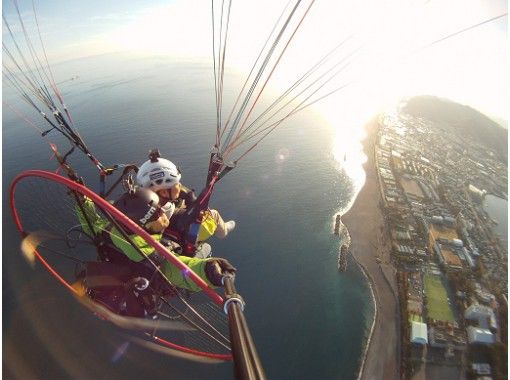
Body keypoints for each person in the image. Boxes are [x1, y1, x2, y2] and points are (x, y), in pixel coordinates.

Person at [75, 187, 236, 294]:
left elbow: (90, 224)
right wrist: (209, 271)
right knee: (205, 247)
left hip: (126, 258)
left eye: (159, 209)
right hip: (160, 278)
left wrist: (82, 201)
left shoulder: (112, 228)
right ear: (144, 226)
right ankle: (204, 249)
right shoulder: (150, 254)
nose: (162, 214)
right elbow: (179, 269)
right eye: (156, 214)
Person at [135, 149, 236, 243]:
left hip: (172, 216)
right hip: (185, 231)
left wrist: (188, 195)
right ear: (164, 192)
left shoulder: (145, 200)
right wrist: (195, 202)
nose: (180, 185)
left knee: (182, 201)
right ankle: (223, 232)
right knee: (214, 214)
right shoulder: (159, 215)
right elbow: (187, 219)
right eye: (176, 183)